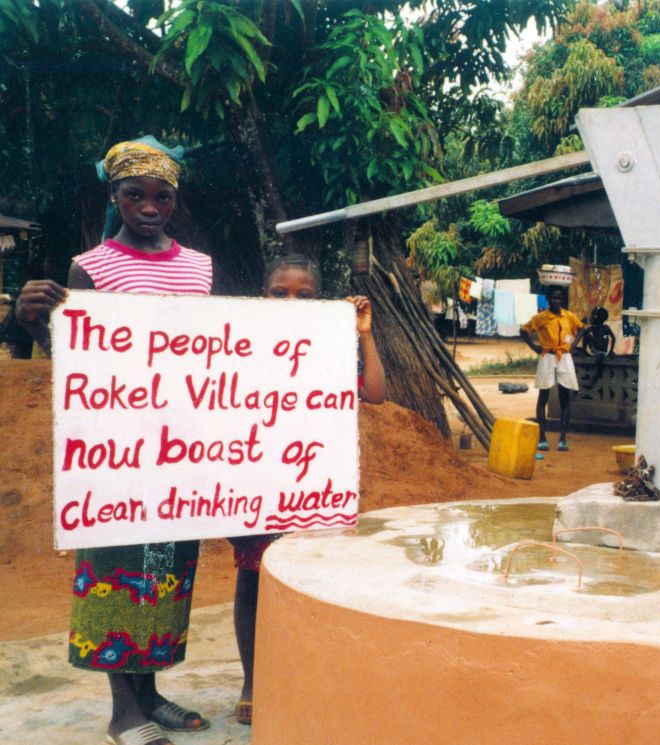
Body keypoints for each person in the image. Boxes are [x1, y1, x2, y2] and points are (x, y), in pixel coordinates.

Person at [13, 139, 212, 745]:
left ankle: (150, 692)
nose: (149, 207)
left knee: (165, 567)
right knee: (113, 569)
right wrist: (37, 323)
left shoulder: (200, 267)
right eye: (135, 195)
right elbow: (80, 363)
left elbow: (213, 352)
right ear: (114, 196)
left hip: (179, 448)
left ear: (175, 199)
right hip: (114, 450)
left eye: (162, 196)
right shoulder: (90, 267)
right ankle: (122, 706)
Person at [228, 255, 386, 726]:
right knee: (252, 581)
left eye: (305, 294)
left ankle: (306, 674)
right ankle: (253, 681)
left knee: (311, 581)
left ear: (321, 301)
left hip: (312, 487)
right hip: (257, 485)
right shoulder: (240, 345)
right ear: (263, 296)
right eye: (280, 293)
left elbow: (374, 393)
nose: (292, 301)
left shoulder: (330, 348)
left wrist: (363, 332)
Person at [520, 286, 584, 452]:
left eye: (559, 298)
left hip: (564, 356)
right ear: (547, 299)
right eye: (553, 298)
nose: (556, 301)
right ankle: (542, 437)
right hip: (547, 357)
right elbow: (524, 330)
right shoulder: (541, 318)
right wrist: (535, 347)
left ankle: (562, 438)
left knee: (565, 396)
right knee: (544, 395)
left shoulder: (568, 316)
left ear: (562, 300)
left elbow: (581, 328)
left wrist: (573, 345)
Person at [575, 306, 616, 385]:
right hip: (593, 350)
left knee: (600, 358)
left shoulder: (605, 328)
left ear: (600, 318)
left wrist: (611, 351)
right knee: (587, 336)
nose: (591, 318)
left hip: (601, 353)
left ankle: (598, 374)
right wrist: (581, 323)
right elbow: (582, 333)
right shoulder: (591, 328)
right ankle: (583, 352)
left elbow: (613, 338)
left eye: (593, 316)